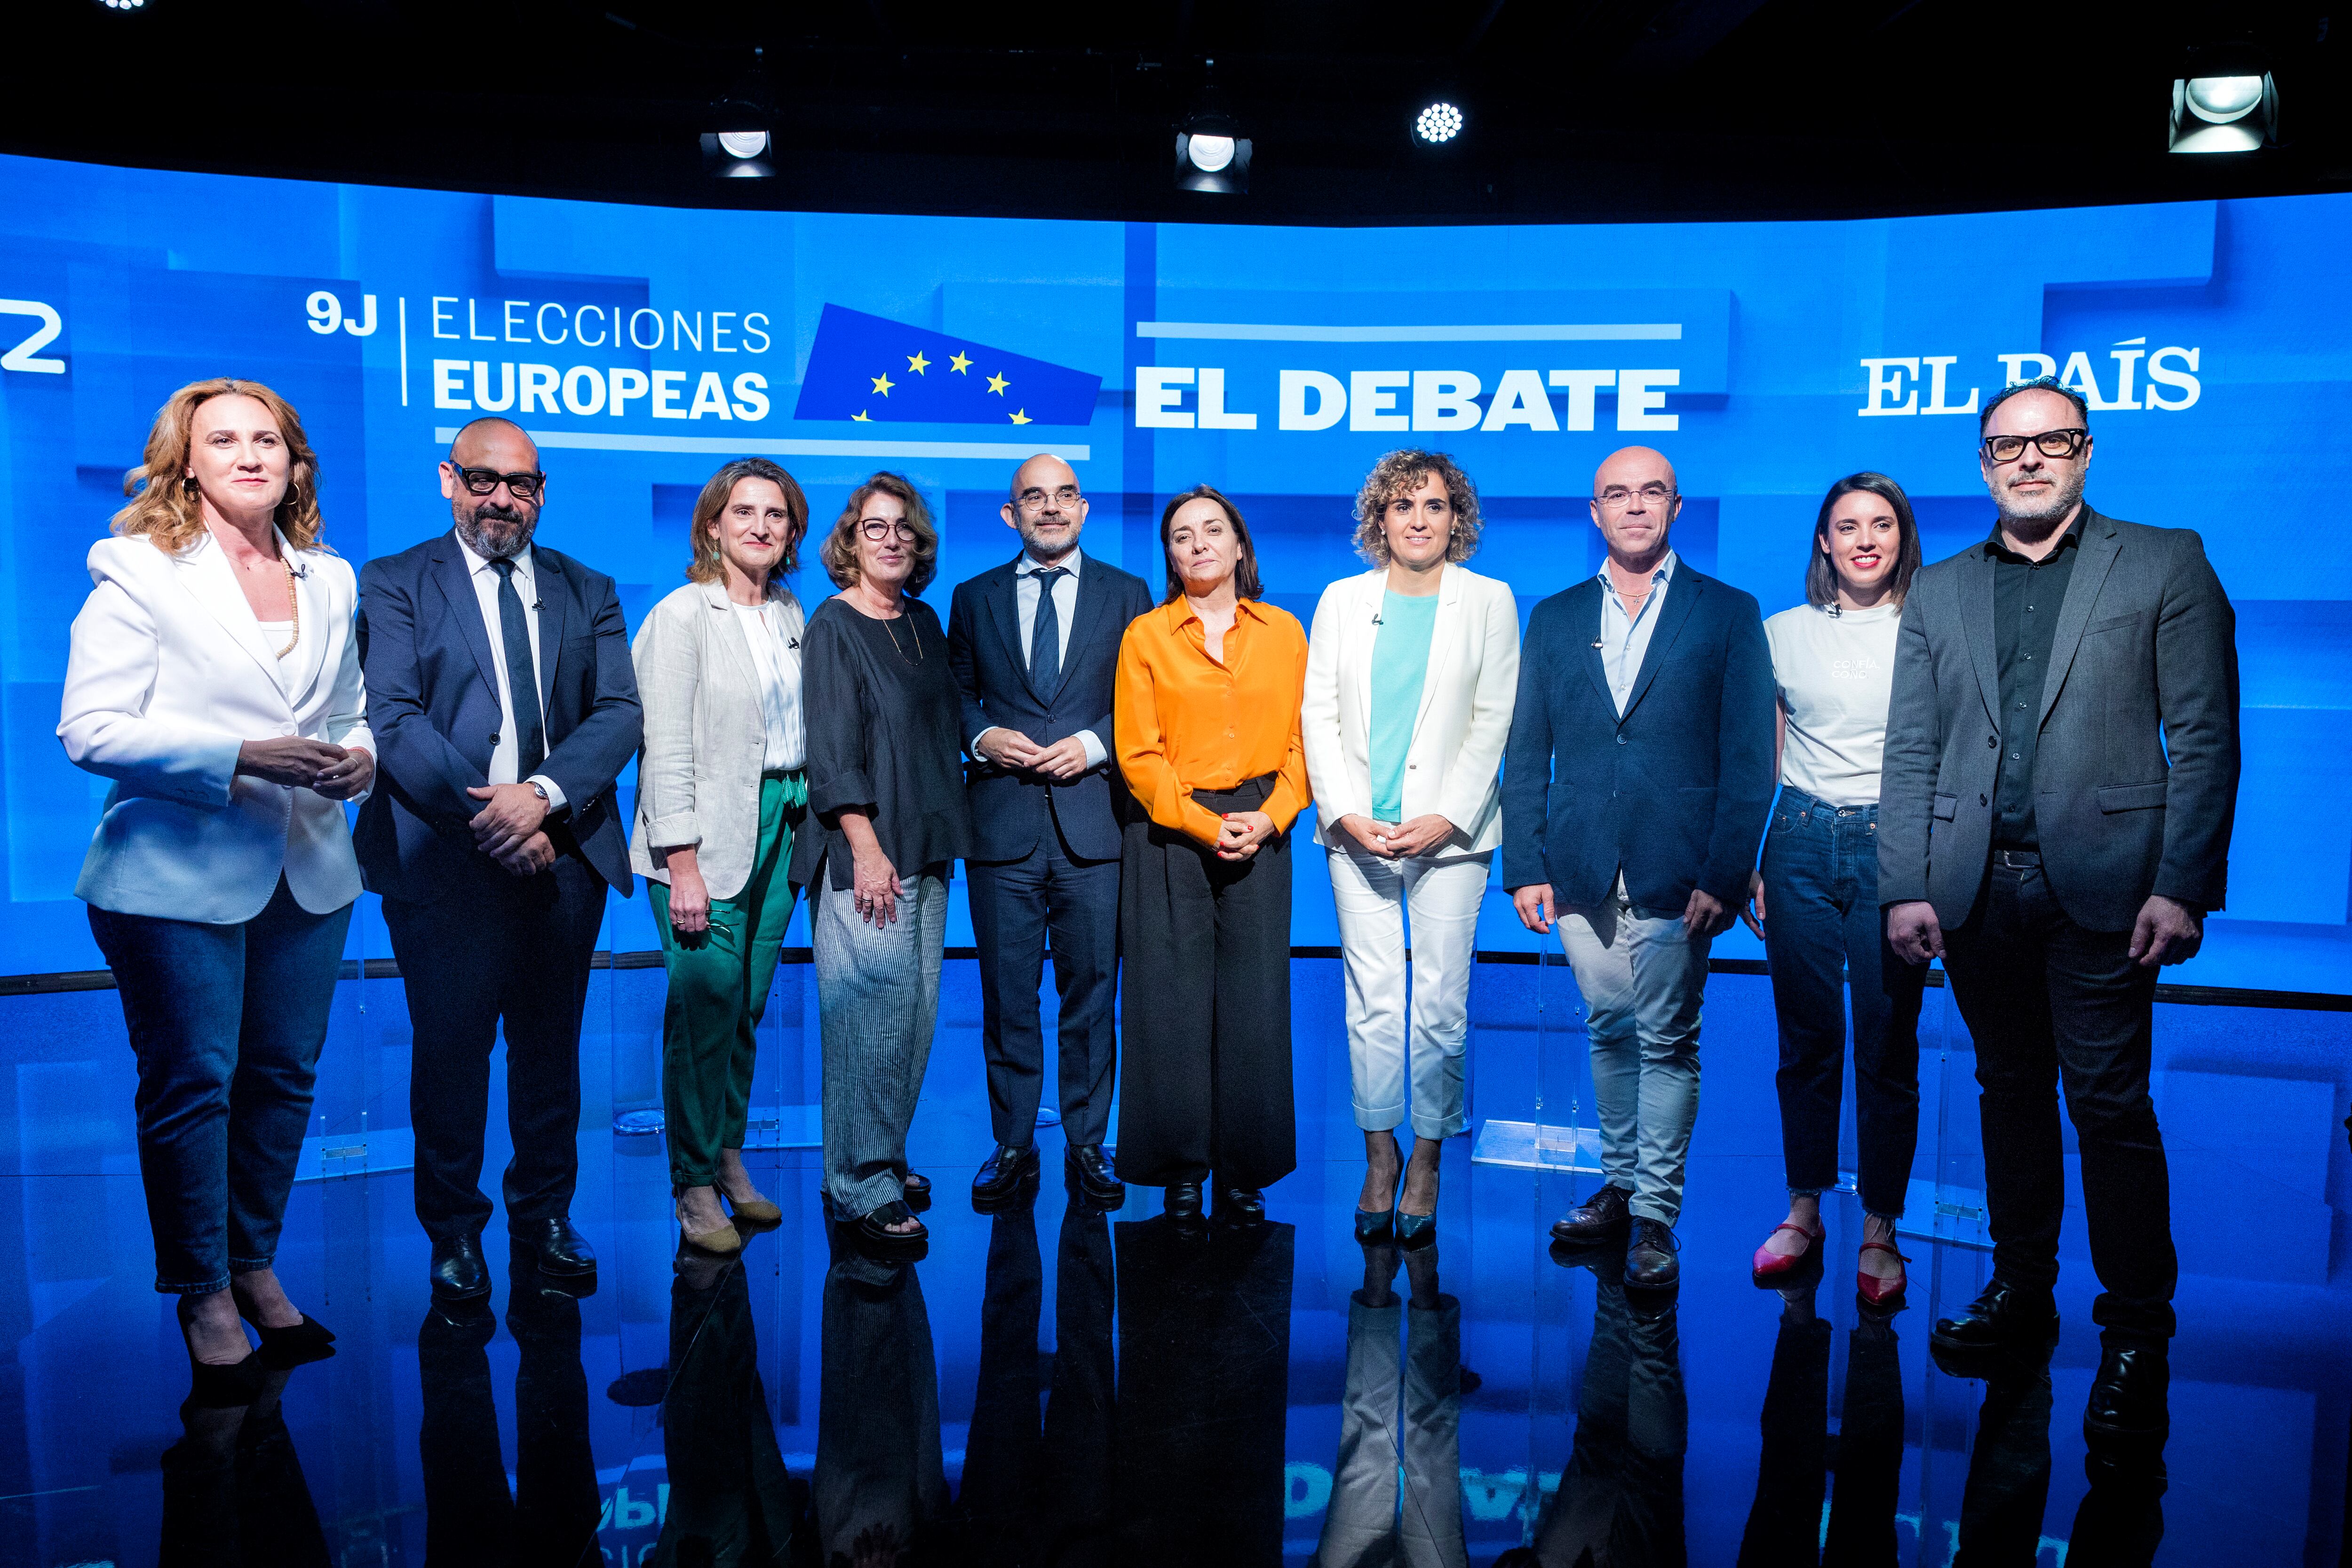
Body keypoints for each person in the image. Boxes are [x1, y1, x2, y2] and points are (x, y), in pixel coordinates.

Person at [1879, 375, 2238, 1440]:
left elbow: (2206, 735)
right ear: (1983, 464)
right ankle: (2022, 1290)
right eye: (2006, 447)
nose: (2028, 460)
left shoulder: (2164, 558)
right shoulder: (1939, 587)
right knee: (2006, 1092)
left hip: (2113, 886)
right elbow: (1907, 749)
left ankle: (2135, 1331)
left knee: (2110, 1108)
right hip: (1976, 887)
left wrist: (2183, 880)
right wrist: (1905, 879)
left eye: (2052, 441)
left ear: (2084, 452)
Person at [61, 378, 373, 1380]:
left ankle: (256, 1263)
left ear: (295, 460)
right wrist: (241, 755)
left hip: (310, 867)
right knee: (197, 1082)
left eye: (268, 439)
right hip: (172, 877)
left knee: (283, 1078)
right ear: (185, 460)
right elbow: (91, 728)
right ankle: (201, 1287)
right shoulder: (138, 570)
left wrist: (358, 757)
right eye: (224, 439)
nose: (249, 454)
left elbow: (349, 713)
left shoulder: (331, 578)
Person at [356, 417, 643, 1303]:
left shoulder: (586, 587)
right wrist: (494, 815)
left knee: (549, 1050)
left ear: (542, 492)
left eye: (521, 484)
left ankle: (544, 1215)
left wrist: (543, 798)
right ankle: (453, 1232)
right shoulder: (398, 580)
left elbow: (621, 712)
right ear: (450, 479)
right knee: (450, 1051)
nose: (502, 499)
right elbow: (395, 718)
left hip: (564, 852)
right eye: (484, 480)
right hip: (447, 856)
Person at [1502, 446, 1775, 1290]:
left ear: (1676, 506)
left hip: (1680, 869)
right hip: (1579, 863)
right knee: (1609, 1028)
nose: (1633, 507)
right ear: (1594, 513)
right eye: (1615, 495)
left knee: (1668, 1039)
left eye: (1650, 492)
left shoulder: (1728, 612)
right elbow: (1526, 750)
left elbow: (1747, 757)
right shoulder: (1551, 617)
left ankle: (1656, 1214)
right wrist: (1525, 864)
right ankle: (1620, 1188)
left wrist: (1726, 875)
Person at [1304, 449, 1519, 1246]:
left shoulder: (1489, 600)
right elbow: (1317, 715)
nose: (1418, 519)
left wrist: (1450, 816)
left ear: (1456, 516)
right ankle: (1380, 1154)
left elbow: (1495, 718)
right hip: (1356, 832)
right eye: (1402, 506)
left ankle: (1427, 1156)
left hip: (1451, 839)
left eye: (1433, 504)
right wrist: (1345, 812)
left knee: (1439, 1003)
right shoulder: (1341, 599)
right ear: (1379, 520)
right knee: (1372, 1001)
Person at [948, 454, 1153, 1214]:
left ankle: (1088, 1142)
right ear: (1012, 515)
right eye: (1034, 497)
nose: (1051, 507)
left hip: (1094, 826)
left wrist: (1097, 743)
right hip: (1000, 825)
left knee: (1093, 993)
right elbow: (955, 699)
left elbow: (1145, 698)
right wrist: (983, 739)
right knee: (1007, 997)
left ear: (1085, 508)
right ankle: (1011, 1143)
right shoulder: (972, 598)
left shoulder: (1128, 594)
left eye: (1065, 494)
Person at [1741, 474, 1929, 1303]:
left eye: (1880, 524)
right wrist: (1752, 858)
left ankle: (1882, 1229)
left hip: (1897, 845)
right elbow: (1766, 758)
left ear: (1901, 535)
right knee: (1808, 1039)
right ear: (1823, 540)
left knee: (1887, 1044)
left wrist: (1933, 870)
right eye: (1847, 525)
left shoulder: (1933, 627)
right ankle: (1804, 1208)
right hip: (1802, 841)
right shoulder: (1783, 632)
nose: (1864, 539)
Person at [1113, 486, 1311, 1224]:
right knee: (1170, 999)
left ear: (1238, 546)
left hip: (1263, 816)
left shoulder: (1286, 631)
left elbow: (1305, 742)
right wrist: (1202, 822)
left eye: (1212, 531)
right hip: (1171, 825)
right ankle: (1181, 1168)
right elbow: (1137, 752)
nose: (1197, 544)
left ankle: (1244, 1168)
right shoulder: (1147, 636)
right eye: (1181, 536)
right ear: (1169, 554)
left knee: (1256, 1000)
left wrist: (1269, 816)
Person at [630, 458, 811, 1255]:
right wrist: (684, 862)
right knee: (703, 1008)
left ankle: (729, 1158)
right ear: (712, 525)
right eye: (745, 512)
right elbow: (662, 746)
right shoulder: (681, 615)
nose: (762, 526)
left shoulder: (792, 614)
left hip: (784, 820)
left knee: (746, 1008)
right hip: (703, 834)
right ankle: (693, 1184)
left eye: (777, 515)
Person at [795, 472, 973, 1259]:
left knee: (913, 1016)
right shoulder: (833, 625)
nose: (892, 538)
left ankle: (880, 1157)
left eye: (903, 527)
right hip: (869, 853)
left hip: (932, 847)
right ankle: (863, 1181)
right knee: (868, 1019)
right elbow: (831, 751)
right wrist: (866, 849)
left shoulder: (925, 623)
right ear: (850, 541)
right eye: (875, 527)